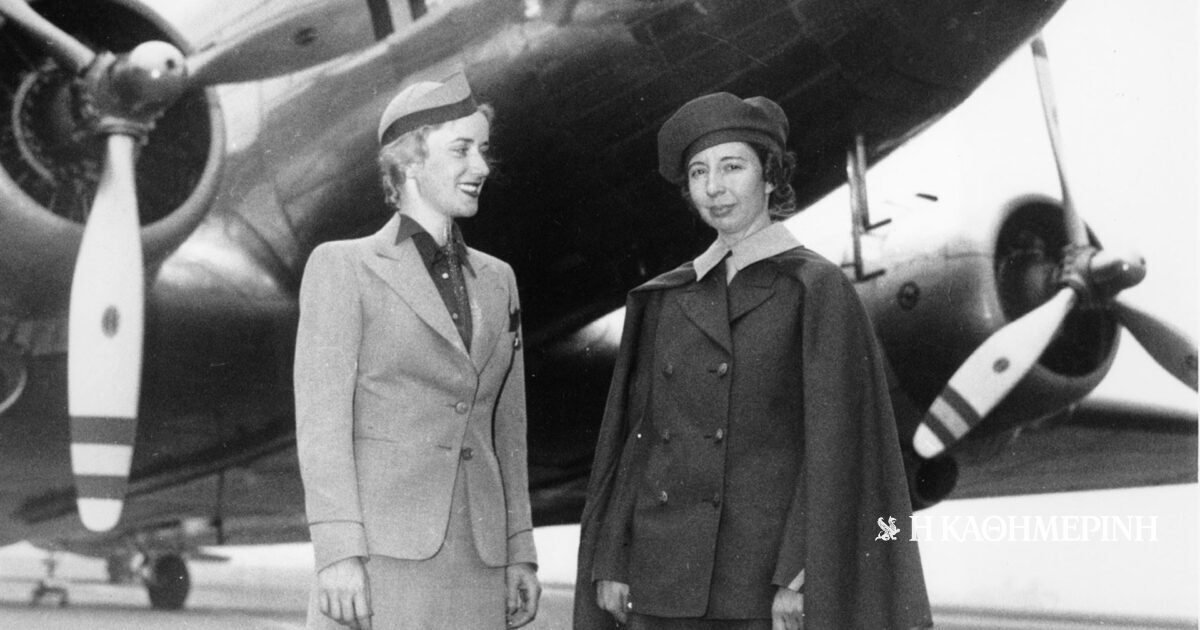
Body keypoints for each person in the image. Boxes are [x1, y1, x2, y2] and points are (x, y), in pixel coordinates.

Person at [573, 92, 931, 629]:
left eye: (732, 167)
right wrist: (613, 558)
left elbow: (837, 447)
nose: (713, 187)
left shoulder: (815, 288)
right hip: (660, 578)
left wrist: (800, 574)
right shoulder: (666, 298)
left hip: (760, 582)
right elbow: (638, 441)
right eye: (698, 172)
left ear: (769, 177)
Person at [294, 72, 540, 630]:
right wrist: (337, 552)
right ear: (409, 160)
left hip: (480, 562)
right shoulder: (343, 267)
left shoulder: (498, 280)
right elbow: (321, 426)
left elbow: (509, 427)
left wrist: (519, 549)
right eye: (462, 149)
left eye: (482, 150)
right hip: (380, 561)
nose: (481, 167)